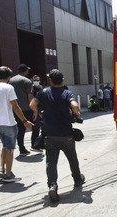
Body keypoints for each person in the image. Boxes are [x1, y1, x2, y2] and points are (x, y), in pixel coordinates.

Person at [29, 69, 85, 202]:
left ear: (50, 80)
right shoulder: (66, 92)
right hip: (66, 134)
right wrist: (76, 113)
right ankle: (77, 180)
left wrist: (41, 113)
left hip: (50, 135)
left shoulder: (43, 92)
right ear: (63, 81)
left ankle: (52, 186)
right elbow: (74, 105)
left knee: (51, 162)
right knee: (72, 158)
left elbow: (32, 105)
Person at [0, 66, 33, 182]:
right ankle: (8, 175)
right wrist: (24, 121)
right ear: (8, 77)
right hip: (8, 122)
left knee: (4, 145)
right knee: (10, 148)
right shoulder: (9, 88)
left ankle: (1, 168)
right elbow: (15, 107)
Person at [9, 64, 34, 155]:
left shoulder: (10, 80)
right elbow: (30, 96)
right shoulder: (27, 81)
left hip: (13, 108)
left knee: (18, 129)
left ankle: (19, 147)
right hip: (26, 108)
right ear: (25, 71)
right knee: (31, 126)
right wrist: (35, 109)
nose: (28, 72)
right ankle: (33, 145)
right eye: (27, 70)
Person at [30, 75, 44, 152]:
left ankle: (39, 144)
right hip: (35, 111)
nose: (36, 82)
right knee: (35, 128)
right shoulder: (31, 89)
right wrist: (35, 111)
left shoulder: (41, 88)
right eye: (34, 80)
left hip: (42, 110)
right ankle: (34, 145)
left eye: (37, 80)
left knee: (42, 128)